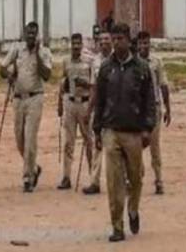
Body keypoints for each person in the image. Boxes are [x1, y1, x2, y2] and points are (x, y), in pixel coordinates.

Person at [92, 23, 156, 242]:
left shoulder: (141, 68)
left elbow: (150, 101)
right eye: (114, 38)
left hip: (134, 132)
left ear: (129, 41)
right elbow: (99, 100)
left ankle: (133, 209)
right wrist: (97, 129)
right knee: (113, 181)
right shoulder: (106, 68)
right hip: (111, 131)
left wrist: (148, 128)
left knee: (135, 178)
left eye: (120, 39)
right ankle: (117, 226)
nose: (116, 42)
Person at [0, 21, 53, 192]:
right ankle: (34, 167)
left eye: (34, 34)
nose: (31, 36)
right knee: (19, 139)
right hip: (18, 99)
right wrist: (9, 75)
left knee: (30, 139)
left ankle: (27, 178)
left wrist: (37, 55)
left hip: (35, 98)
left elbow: (47, 76)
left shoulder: (44, 52)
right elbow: (1, 68)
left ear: (37, 35)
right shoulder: (17, 49)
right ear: (24, 33)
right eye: (28, 33)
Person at [57, 33, 97, 190]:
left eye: (78, 44)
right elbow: (62, 83)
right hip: (70, 102)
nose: (75, 46)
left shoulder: (89, 62)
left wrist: (84, 84)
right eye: (73, 43)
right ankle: (66, 176)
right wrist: (60, 104)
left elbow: (94, 86)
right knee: (68, 141)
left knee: (89, 141)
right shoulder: (66, 62)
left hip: (85, 103)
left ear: (82, 45)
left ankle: (92, 176)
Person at [136, 30, 171, 195]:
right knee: (136, 145)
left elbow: (163, 85)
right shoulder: (133, 63)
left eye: (146, 43)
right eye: (141, 43)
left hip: (154, 108)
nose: (144, 46)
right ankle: (138, 177)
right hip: (137, 110)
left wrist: (167, 108)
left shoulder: (156, 62)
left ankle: (158, 179)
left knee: (154, 146)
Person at [82, 31, 113, 195]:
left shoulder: (117, 59)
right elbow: (94, 88)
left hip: (116, 107)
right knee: (97, 144)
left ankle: (125, 180)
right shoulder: (96, 62)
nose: (103, 42)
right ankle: (94, 181)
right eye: (101, 40)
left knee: (118, 144)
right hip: (100, 107)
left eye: (106, 39)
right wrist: (89, 110)